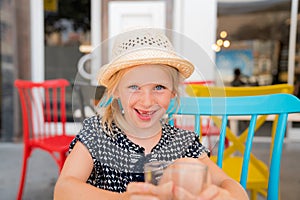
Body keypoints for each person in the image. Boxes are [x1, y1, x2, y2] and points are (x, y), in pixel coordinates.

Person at [54, 28, 249, 200]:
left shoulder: (183, 143)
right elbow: (63, 190)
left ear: (173, 92)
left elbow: (230, 185)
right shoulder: (97, 133)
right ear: (115, 91)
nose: (147, 101)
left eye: (158, 87)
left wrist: (226, 195)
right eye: (134, 87)